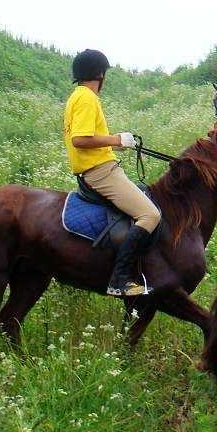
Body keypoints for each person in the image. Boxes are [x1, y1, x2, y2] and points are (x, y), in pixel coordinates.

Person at [64, 48, 161, 297]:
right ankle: (120, 279)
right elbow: (80, 139)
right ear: (100, 73)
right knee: (150, 215)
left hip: (100, 167)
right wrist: (117, 139)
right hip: (100, 172)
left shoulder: (76, 96)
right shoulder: (87, 98)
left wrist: (116, 143)